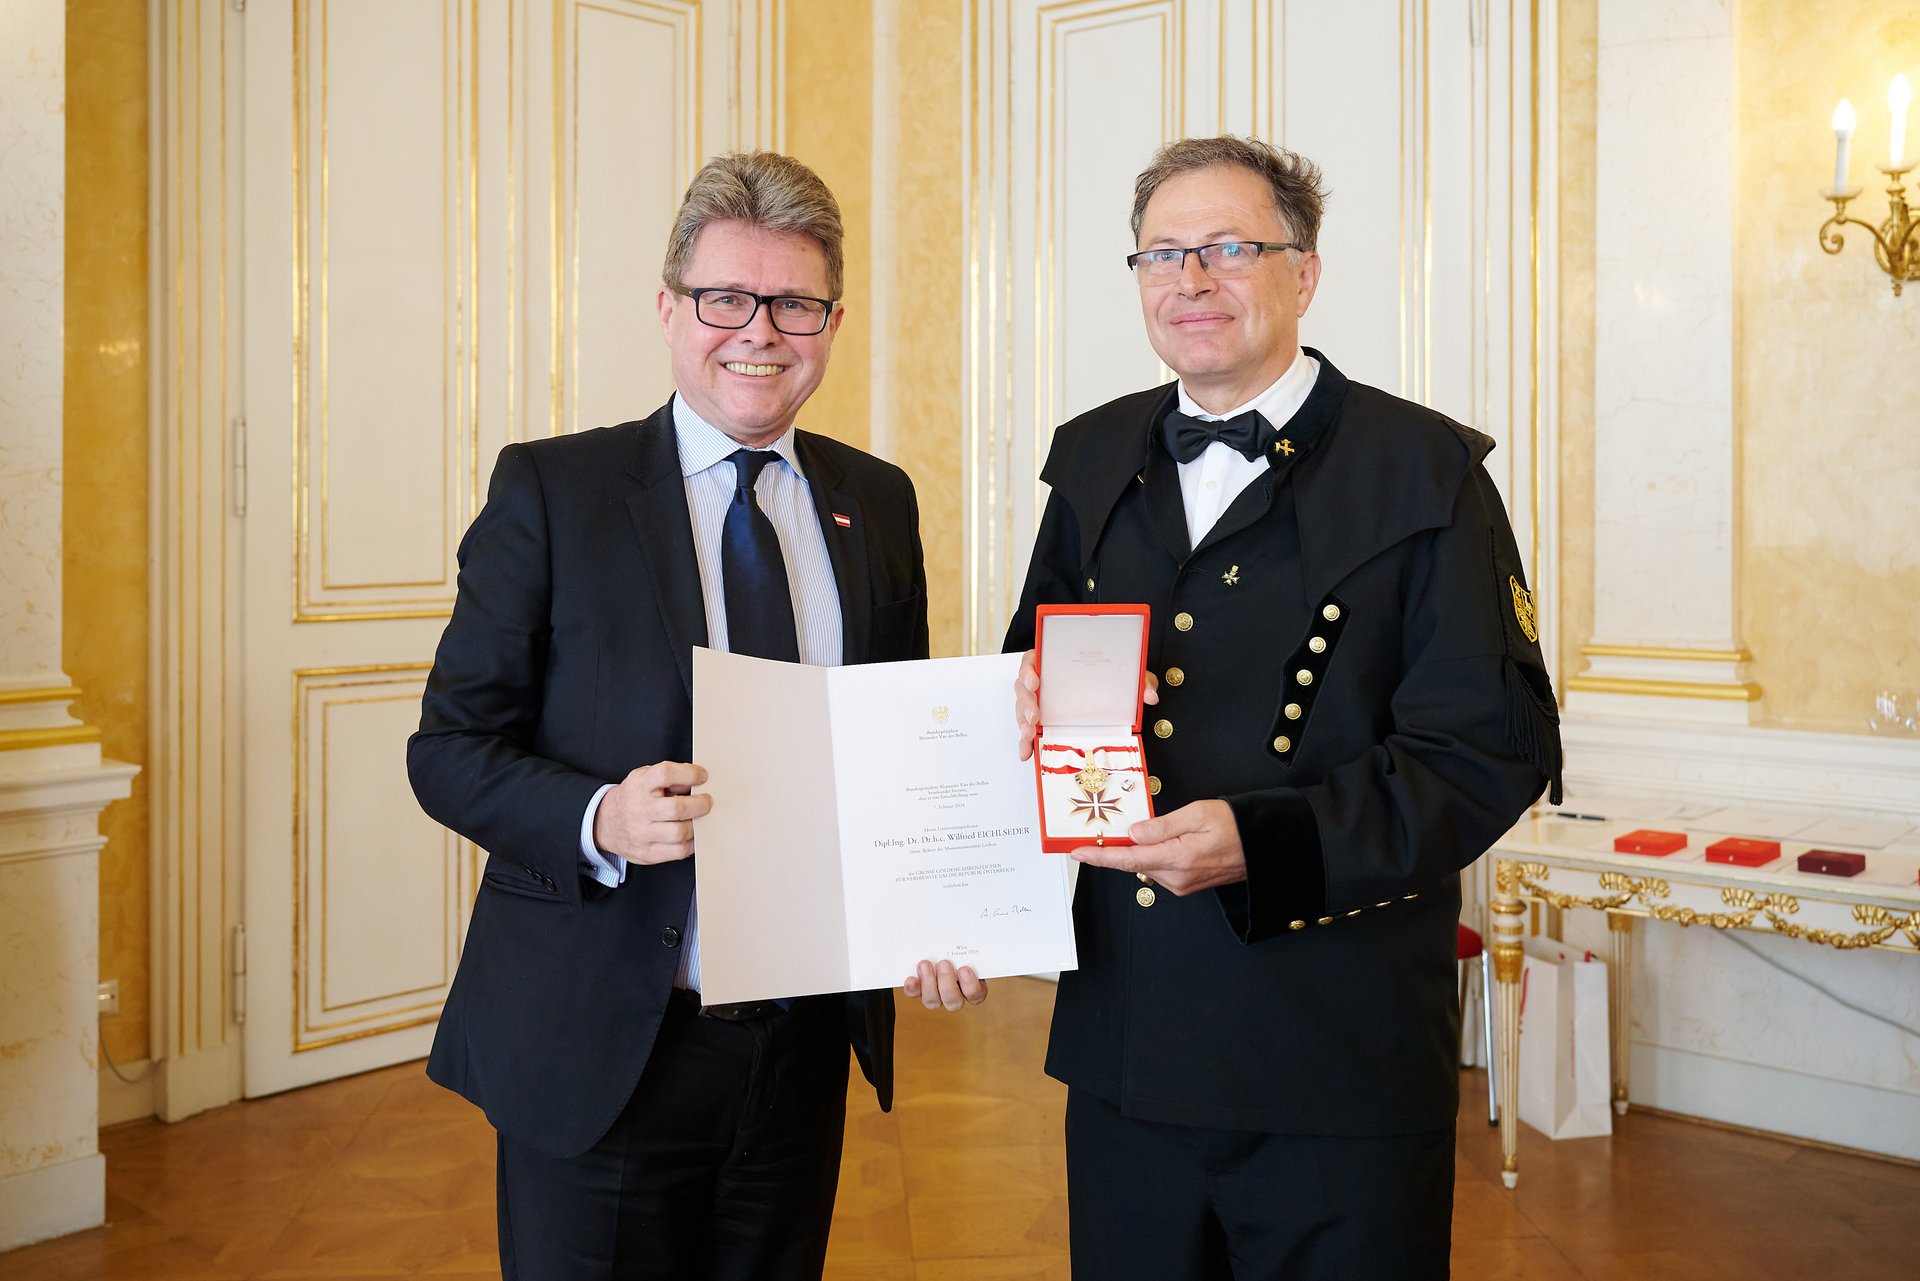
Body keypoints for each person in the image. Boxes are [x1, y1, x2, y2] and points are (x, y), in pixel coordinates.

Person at [409, 150, 986, 1281]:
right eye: (727, 298)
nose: (760, 332)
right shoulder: (553, 492)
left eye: (797, 303)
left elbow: (895, 746)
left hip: (803, 1042)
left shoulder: (877, 499)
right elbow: (449, 750)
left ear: (830, 319)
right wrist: (599, 819)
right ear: (670, 309)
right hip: (609, 1041)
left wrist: (940, 906)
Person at [1005, 135, 1562, 1279]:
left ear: (1303, 273)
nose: (1190, 282)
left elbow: (1489, 749)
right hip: (1127, 1042)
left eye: (1227, 249)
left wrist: (1264, 841)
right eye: (1162, 254)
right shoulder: (1094, 455)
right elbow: (1035, 656)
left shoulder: (1428, 471)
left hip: (1335, 1053)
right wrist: (1021, 692)